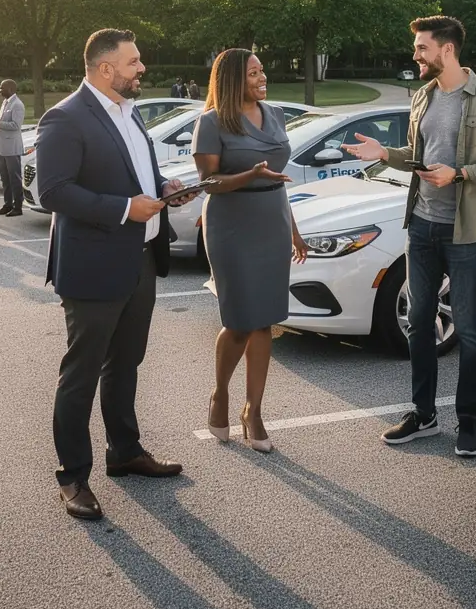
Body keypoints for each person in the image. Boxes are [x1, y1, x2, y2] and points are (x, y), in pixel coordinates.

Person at [343, 16, 476, 458]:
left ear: (447, 50)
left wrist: (460, 174)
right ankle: (423, 415)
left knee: (470, 330)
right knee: (420, 323)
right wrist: (385, 153)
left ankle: (469, 422)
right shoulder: (422, 97)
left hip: (465, 230)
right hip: (421, 227)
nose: (415, 55)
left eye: (422, 47)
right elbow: (416, 155)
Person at [37, 28, 196, 521]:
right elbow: (53, 191)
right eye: (134, 62)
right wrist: (127, 208)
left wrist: (164, 187)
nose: (141, 68)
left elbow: (135, 175)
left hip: (141, 260)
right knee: (81, 374)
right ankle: (72, 477)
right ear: (106, 69)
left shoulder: (131, 112)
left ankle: (124, 452)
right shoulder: (65, 118)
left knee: (126, 363)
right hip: (93, 266)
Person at [193, 48, 308, 453]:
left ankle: (253, 411)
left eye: (262, 71)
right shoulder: (211, 122)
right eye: (254, 73)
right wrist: (250, 174)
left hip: (272, 221)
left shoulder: (275, 113)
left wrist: (294, 232)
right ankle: (220, 394)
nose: (263, 78)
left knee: (265, 322)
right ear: (232, 79)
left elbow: (277, 181)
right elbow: (208, 182)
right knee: (240, 321)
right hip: (231, 224)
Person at [0, 79, 26, 216]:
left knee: (14, 178)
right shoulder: (5, 102)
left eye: (2, 88)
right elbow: (4, 122)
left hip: (12, 148)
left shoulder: (17, 104)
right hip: (2, 147)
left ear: (11, 89)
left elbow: (15, 125)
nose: (0, 90)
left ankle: (18, 207)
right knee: (5, 179)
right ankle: (7, 204)